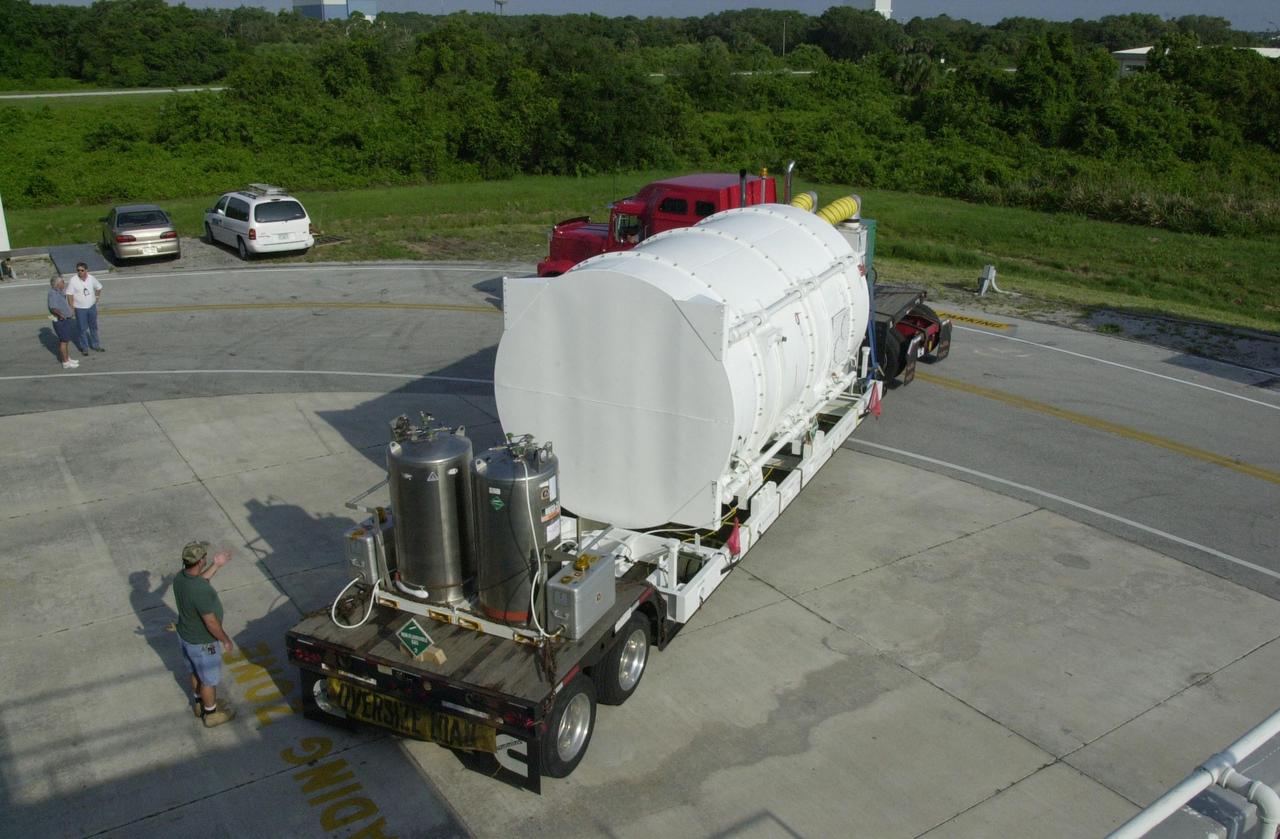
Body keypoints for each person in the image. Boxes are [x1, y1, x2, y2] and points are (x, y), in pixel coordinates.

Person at [173, 541, 237, 728]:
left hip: (186, 636)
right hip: (203, 643)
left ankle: (199, 705)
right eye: (205, 558)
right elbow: (210, 622)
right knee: (208, 680)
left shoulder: (181, 578)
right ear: (201, 561)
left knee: (195, 672)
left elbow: (199, 580)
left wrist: (217, 565)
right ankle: (211, 714)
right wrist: (225, 639)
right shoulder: (200, 591)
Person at [65, 262, 104, 355]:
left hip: (91, 307)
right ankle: (84, 348)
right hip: (80, 308)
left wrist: (97, 297)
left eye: (82, 270)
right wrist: (72, 307)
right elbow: (69, 294)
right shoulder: (73, 280)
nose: (80, 272)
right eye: (78, 270)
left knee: (93, 327)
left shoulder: (91, 278)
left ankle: (96, 345)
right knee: (82, 329)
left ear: (86, 270)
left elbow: (99, 287)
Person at [47, 277, 79, 370]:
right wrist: (61, 315)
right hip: (61, 321)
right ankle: (65, 363)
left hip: (65, 319)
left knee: (66, 340)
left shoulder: (59, 292)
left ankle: (67, 359)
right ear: (57, 284)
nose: (64, 283)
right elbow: (53, 308)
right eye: (62, 282)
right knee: (63, 342)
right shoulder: (52, 294)